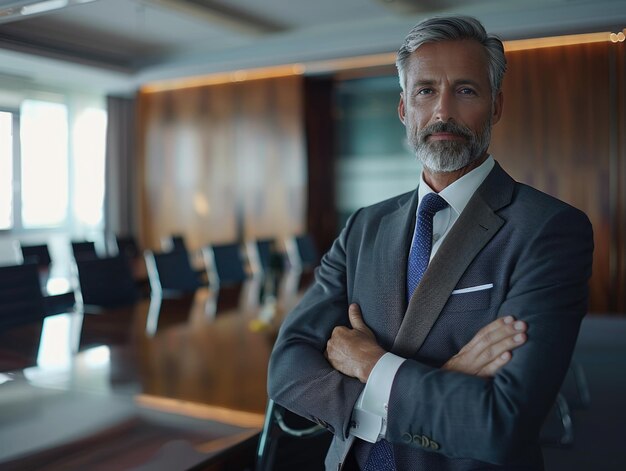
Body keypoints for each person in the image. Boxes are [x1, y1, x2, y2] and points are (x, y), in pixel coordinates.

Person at [268, 15, 593, 471]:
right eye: (425, 91)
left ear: (495, 106)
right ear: (404, 109)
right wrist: (431, 384)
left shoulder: (549, 230)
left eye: (465, 90)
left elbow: (502, 422)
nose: (442, 111)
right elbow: (287, 367)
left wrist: (370, 365)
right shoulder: (364, 225)